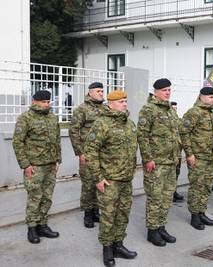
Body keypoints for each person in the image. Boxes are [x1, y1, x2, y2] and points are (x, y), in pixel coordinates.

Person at [84, 90, 138, 267]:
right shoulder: (102, 124)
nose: (125, 104)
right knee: (108, 216)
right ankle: (107, 250)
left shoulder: (129, 123)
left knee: (123, 215)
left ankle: (118, 245)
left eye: (125, 100)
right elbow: (91, 151)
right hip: (109, 180)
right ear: (111, 104)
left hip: (126, 179)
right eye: (121, 101)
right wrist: (98, 178)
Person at [12, 90, 61, 244]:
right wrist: (25, 164)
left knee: (47, 197)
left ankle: (42, 225)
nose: (46, 104)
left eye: (48, 102)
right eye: (43, 102)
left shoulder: (52, 118)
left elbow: (57, 140)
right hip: (34, 166)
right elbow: (17, 142)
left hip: (50, 165)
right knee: (35, 197)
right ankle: (32, 228)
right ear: (34, 101)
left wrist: (57, 160)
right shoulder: (25, 118)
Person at [137, 78, 181, 246]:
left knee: (167, 197)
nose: (168, 93)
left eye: (169, 90)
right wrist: (147, 158)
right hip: (156, 163)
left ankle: (161, 227)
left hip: (170, 162)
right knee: (155, 198)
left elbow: (176, 132)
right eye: (164, 90)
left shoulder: (170, 110)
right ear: (155, 92)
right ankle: (152, 231)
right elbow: (142, 135)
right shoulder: (149, 109)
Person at [180, 86, 213, 230]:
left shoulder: (211, 113)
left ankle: (202, 212)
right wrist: (189, 153)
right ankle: (194, 216)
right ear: (201, 97)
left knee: (207, 186)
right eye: (210, 97)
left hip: (209, 157)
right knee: (197, 186)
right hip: (198, 157)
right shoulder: (194, 112)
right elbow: (183, 132)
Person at [69, 82, 106, 228]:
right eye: (98, 91)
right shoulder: (82, 109)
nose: (101, 93)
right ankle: (87, 214)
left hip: (103, 154)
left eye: (102, 91)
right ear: (90, 93)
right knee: (88, 185)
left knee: (100, 183)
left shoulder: (105, 109)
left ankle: (96, 211)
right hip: (88, 154)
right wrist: (80, 152)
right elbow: (73, 131)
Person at [170, 101, 184, 203]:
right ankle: (169, 193)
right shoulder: (167, 122)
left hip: (178, 153)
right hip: (169, 154)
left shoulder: (179, 121)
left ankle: (174, 191)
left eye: (176, 109)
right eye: (173, 109)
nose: (175, 110)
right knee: (170, 174)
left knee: (176, 173)